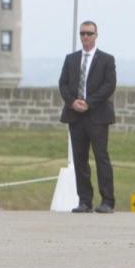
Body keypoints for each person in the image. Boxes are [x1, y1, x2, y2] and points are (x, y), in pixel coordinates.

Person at [58, 20, 116, 214]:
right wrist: (72, 102)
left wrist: (89, 102)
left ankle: (107, 200)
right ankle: (85, 201)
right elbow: (63, 84)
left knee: (101, 157)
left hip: (97, 116)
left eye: (89, 33)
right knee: (80, 159)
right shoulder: (71, 59)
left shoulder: (107, 60)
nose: (85, 37)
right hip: (76, 116)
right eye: (82, 33)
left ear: (96, 35)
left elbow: (109, 85)